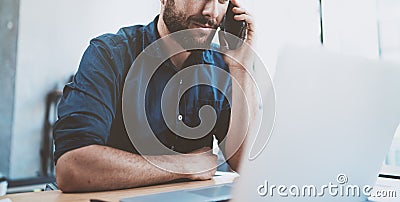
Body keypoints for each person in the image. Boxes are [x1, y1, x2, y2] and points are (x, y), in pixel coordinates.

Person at [54, 0, 257, 192]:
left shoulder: (222, 66)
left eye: (221, 1)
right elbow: (72, 167)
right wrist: (183, 166)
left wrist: (241, 68)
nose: (211, 12)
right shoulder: (110, 54)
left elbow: (246, 163)